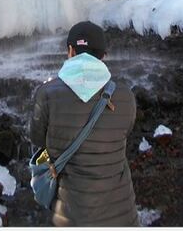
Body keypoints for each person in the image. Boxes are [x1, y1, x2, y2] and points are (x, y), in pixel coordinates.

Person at [30, 21, 138, 227]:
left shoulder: (47, 94)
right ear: (103, 55)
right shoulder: (125, 96)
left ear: (70, 51)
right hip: (122, 215)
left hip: (69, 217)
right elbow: (124, 133)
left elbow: (37, 140)